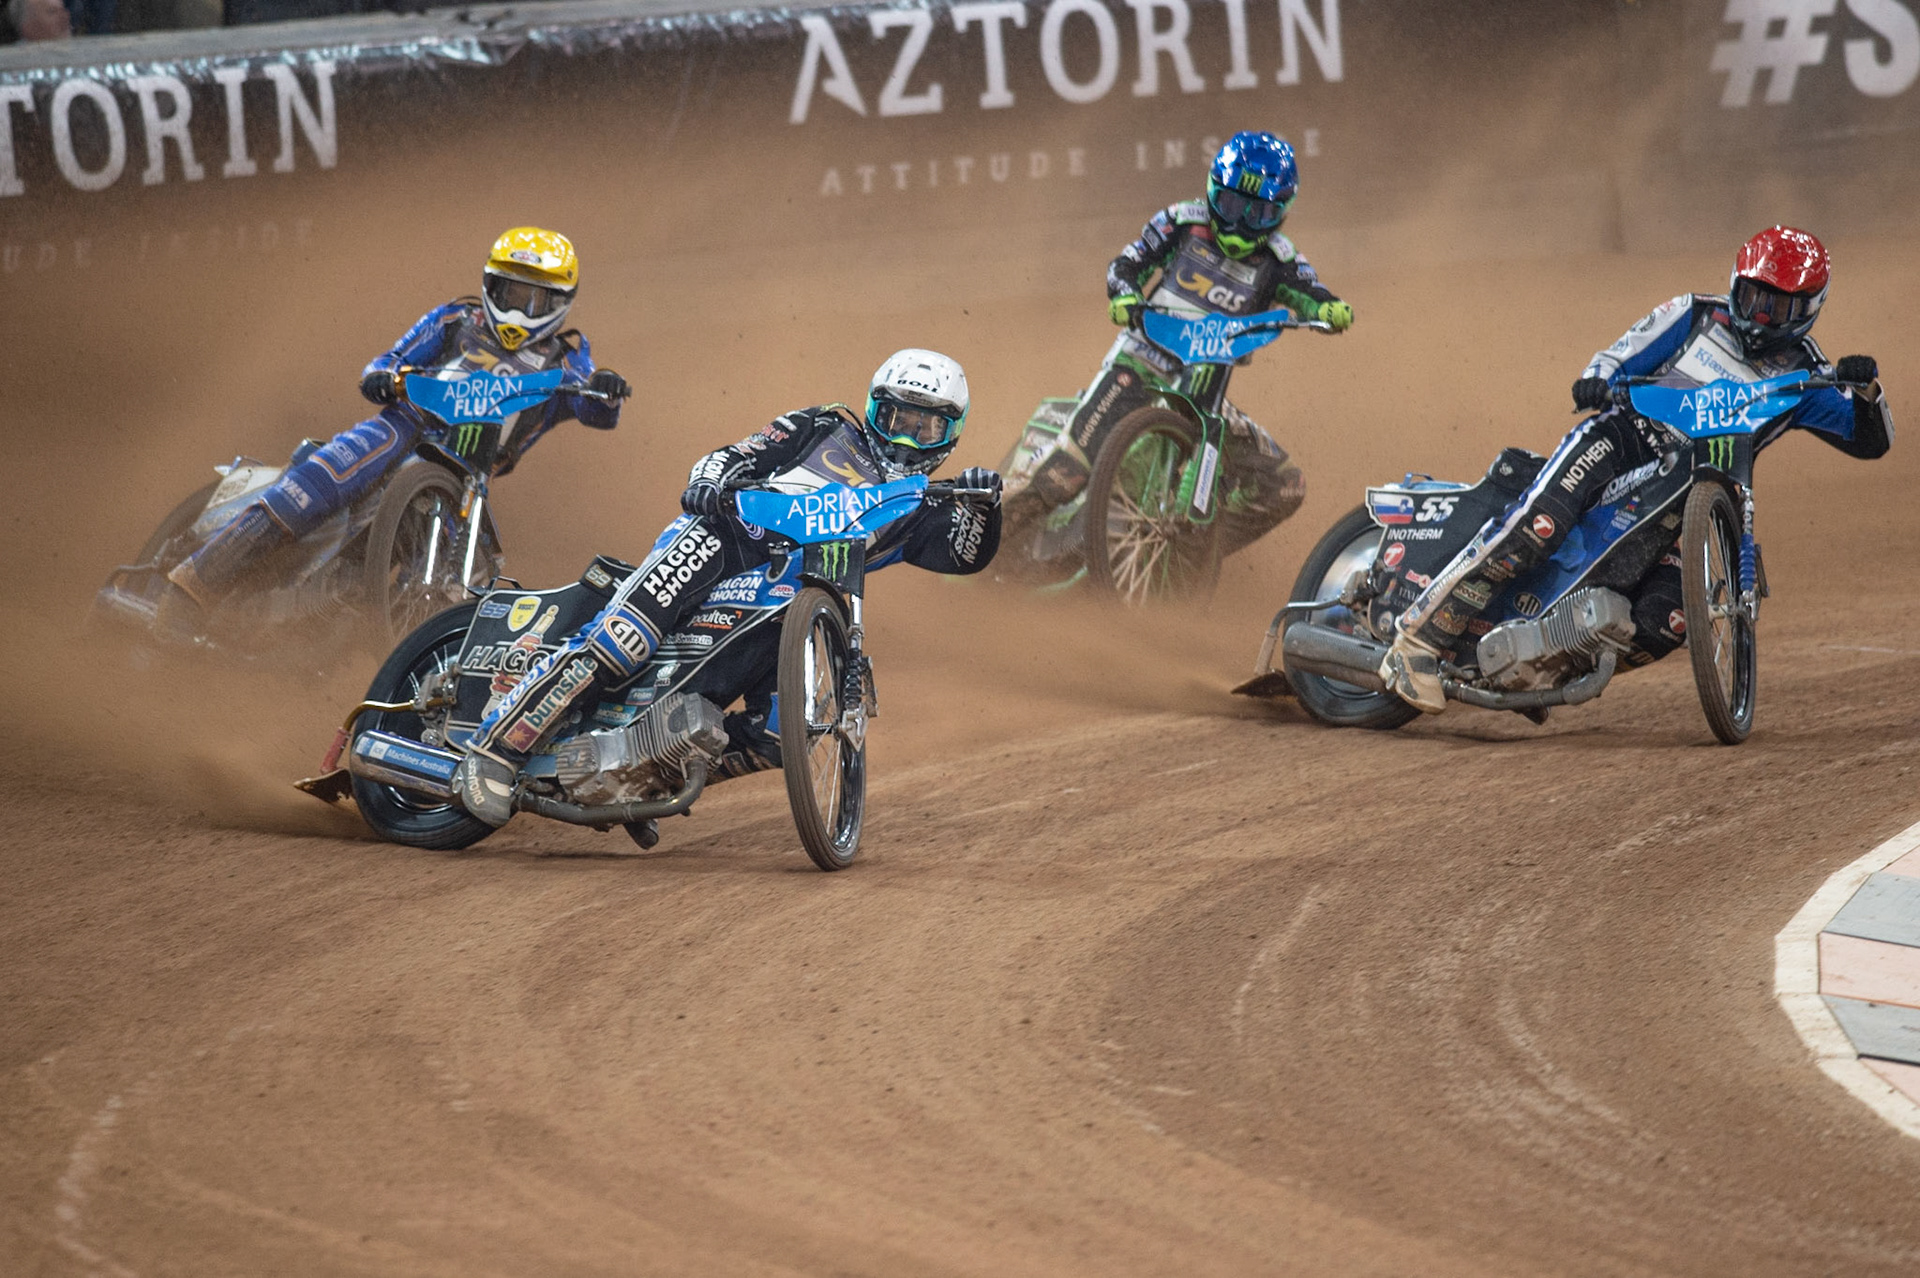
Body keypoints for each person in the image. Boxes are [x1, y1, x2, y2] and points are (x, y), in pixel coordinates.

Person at [449, 349, 1004, 826]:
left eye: (923, 426)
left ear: (949, 434)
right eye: (895, 417)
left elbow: (964, 554)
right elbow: (733, 455)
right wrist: (710, 483)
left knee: (779, 735)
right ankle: (495, 749)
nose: (905, 435)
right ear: (872, 408)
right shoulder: (823, 426)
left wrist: (988, 504)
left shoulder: (921, 505)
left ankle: (651, 771)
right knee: (623, 641)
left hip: (792, 600)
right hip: (721, 540)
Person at [1379, 225, 1893, 713]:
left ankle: (1544, 667)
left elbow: (1871, 440)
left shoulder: (1809, 375)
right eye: (1753, 298)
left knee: (1666, 619)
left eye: (1775, 307)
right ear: (1736, 284)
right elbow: (1617, 356)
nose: (1758, 317)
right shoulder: (1693, 315)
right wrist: (1596, 381)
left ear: (1806, 311)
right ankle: (1417, 641)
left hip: (1701, 489)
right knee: (1540, 524)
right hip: (1624, 440)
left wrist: (1868, 391)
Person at [158, 227, 629, 631]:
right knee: (336, 471)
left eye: (536, 298)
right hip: (406, 426)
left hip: (469, 476)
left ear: (561, 303)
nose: (520, 308)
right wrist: (385, 377)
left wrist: (605, 388)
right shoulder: (456, 319)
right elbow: (386, 362)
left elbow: (595, 406)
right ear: (489, 286)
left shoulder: (566, 358)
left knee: (481, 573)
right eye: (511, 292)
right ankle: (194, 583)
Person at [1003, 129, 1353, 557]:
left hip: (1206, 386)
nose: (1240, 222)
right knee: (1066, 472)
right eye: (1230, 205)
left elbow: (1310, 292)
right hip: (1141, 363)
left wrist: (1329, 309)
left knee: (1285, 485)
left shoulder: (1280, 260)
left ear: (1280, 213)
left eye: (1257, 213)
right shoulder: (1182, 222)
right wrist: (1125, 294)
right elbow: (1126, 264)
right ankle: (987, 538)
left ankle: (1186, 554)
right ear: (1212, 192)